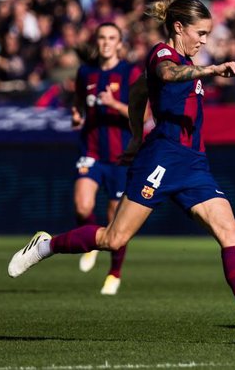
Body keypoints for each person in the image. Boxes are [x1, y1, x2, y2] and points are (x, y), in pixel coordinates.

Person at [8, 0, 235, 340]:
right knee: (113, 238)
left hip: (194, 163)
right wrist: (211, 70)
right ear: (179, 27)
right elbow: (167, 75)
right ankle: (46, 246)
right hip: (161, 160)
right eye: (200, 33)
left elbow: (139, 94)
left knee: (231, 232)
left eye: (208, 34)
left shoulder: (184, 60)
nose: (204, 41)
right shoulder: (162, 56)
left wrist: (136, 135)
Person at [71, 22, 141, 295]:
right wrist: (76, 115)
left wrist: (114, 104)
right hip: (91, 151)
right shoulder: (85, 72)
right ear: (96, 41)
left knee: (115, 220)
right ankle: (90, 242)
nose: (106, 43)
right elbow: (78, 102)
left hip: (121, 156)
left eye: (112, 38)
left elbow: (143, 115)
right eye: (102, 37)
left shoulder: (130, 72)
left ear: (120, 43)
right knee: (81, 206)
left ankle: (114, 273)